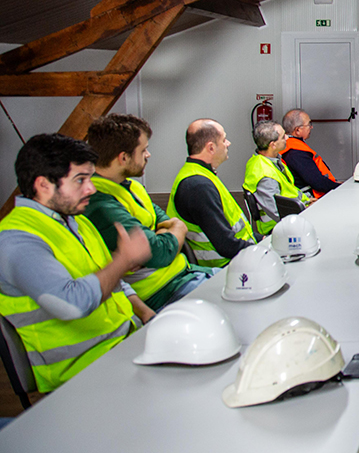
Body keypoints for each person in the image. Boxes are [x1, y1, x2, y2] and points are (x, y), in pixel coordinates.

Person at [0, 134, 153, 392]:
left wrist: (147, 314)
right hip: (83, 374)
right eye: (80, 180)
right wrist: (123, 259)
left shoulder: (75, 221)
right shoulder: (17, 240)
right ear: (43, 185)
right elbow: (72, 305)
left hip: (123, 346)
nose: (91, 188)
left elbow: (113, 282)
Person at [84, 114, 216, 311]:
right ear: (124, 158)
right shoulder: (100, 203)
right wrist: (173, 230)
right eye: (143, 150)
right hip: (162, 293)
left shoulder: (132, 187)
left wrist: (169, 231)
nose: (148, 155)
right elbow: (160, 252)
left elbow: (167, 223)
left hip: (185, 274)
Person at [168, 119, 255, 267]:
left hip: (237, 258)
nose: (228, 143)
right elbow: (226, 245)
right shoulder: (198, 186)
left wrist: (264, 239)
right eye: (224, 140)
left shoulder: (200, 174)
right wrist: (263, 251)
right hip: (226, 267)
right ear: (211, 148)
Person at [243, 121, 311, 236]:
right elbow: (277, 211)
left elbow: (289, 191)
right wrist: (306, 210)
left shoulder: (269, 161)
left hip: (295, 212)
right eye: (283, 136)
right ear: (273, 145)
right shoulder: (265, 175)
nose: (287, 138)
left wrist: (307, 200)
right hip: (280, 228)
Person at [280, 108, 341, 199]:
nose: (311, 127)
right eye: (309, 124)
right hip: (313, 200)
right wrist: (340, 188)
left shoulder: (290, 145)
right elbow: (318, 183)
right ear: (297, 130)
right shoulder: (295, 153)